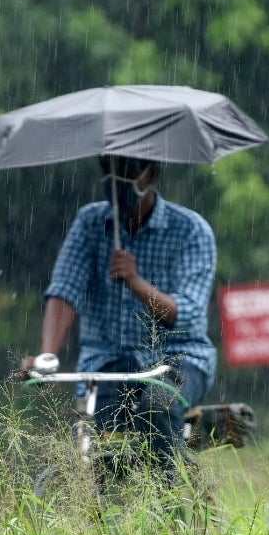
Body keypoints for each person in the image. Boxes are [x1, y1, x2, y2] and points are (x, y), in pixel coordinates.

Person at [23, 155, 217, 481]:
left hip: (178, 357)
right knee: (99, 436)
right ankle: (108, 503)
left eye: (127, 172)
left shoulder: (191, 230)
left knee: (157, 406)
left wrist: (135, 282)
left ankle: (168, 504)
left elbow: (187, 314)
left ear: (151, 175)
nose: (116, 181)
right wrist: (48, 355)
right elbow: (65, 290)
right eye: (109, 171)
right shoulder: (91, 223)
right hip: (107, 362)